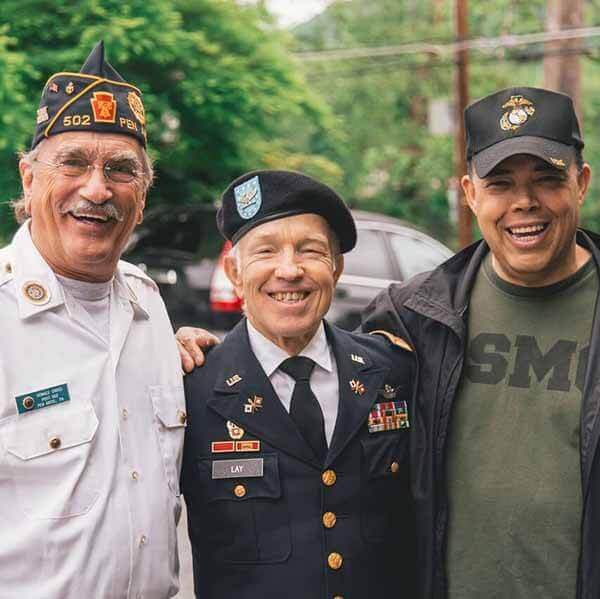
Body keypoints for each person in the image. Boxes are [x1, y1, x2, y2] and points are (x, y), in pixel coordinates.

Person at [362, 87, 597, 599]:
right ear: (470, 193)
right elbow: (317, 392)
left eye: (547, 179)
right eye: (501, 184)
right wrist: (192, 349)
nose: (524, 202)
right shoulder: (412, 317)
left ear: (580, 183)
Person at [0, 42, 187, 598]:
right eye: (75, 162)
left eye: (121, 169)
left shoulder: (148, 306)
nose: (97, 189)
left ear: (143, 194)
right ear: (29, 180)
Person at [180, 170, 416, 599]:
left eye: (309, 251)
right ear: (235, 272)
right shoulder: (190, 389)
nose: (288, 271)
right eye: (265, 252)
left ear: (336, 267)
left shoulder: (394, 373)